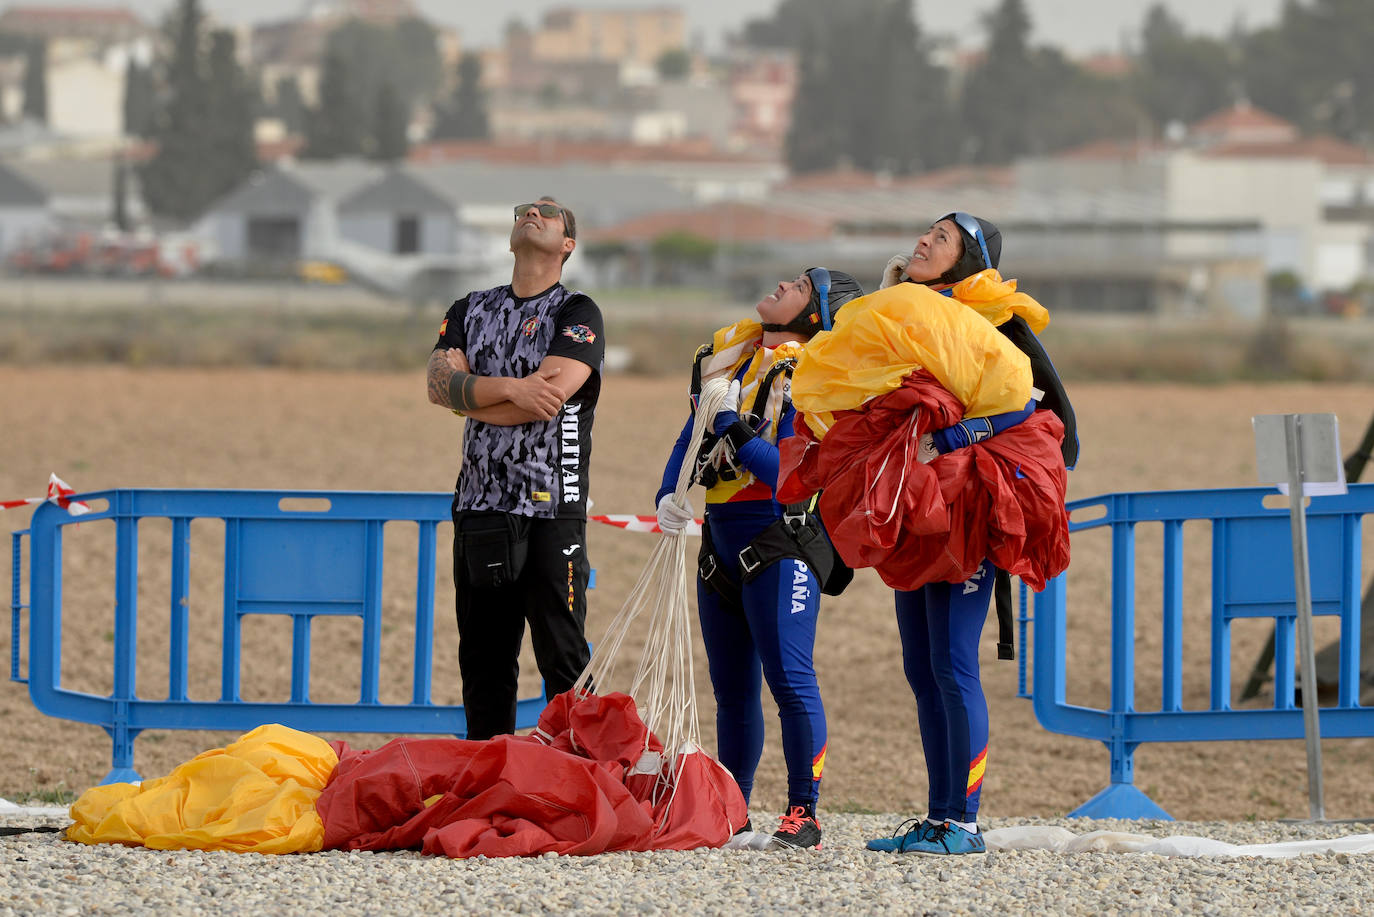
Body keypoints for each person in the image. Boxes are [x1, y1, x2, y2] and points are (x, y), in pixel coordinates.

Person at [857, 212, 1075, 855]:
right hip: (915, 504)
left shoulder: (991, 316)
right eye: (926, 232)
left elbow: (1029, 403)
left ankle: (966, 824)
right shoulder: (904, 309)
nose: (924, 241)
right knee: (921, 669)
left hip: (969, 506)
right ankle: (936, 815)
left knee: (953, 664)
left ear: (966, 260)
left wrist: (952, 438)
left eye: (941, 238)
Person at [654, 267, 864, 850]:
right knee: (733, 693)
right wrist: (669, 494)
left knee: (790, 681)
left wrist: (730, 425)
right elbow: (688, 437)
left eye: (797, 285)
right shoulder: (733, 361)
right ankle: (733, 810)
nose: (780, 285)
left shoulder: (816, 376)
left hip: (779, 540)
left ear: (816, 313)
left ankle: (805, 813)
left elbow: (787, 473)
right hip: (719, 542)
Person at [425, 197, 605, 741]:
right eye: (524, 210)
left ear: (567, 244)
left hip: (553, 506)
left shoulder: (577, 312)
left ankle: (583, 785)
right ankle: (485, 788)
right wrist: (511, 388)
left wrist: (470, 396)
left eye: (549, 212)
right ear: (510, 240)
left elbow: (547, 397)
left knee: (564, 661)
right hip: (481, 506)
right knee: (484, 666)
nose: (533, 213)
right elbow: (436, 385)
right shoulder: (468, 308)